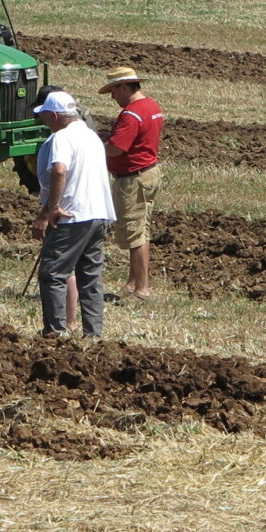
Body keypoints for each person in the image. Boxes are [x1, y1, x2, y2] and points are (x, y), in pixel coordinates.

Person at [30, 89, 114, 338]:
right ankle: (93, 333)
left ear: (55, 115)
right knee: (90, 276)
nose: (44, 120)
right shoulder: (91, 137)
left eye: (45, 115)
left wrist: (49, 210)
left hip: (72, 216)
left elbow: (59, 170)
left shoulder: (62, 137)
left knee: (52, 273)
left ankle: (54, 332)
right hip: (98, 213)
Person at [97, 66, 164, 300]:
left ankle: (141, 289)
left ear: (124, 87)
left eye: (114, 91)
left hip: (133, 179)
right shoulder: (151, 107)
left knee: (135, 235)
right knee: (141, 228)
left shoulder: (131, 114)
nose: (113, 97)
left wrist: (96, 146)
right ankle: (133, 282)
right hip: (148, 174)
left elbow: (117, 149)